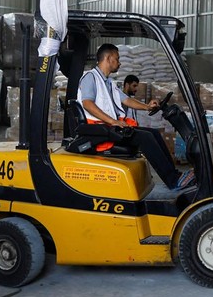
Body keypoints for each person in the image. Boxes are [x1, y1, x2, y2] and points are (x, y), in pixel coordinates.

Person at [78, 43, 181, 189]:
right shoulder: (90, 78)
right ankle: (173, 181)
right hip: (100, 132)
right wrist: (113, 121)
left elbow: (126, 99)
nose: (119, 63)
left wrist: (147, 107)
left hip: (109, 128)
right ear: (108, 58)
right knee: (146, 138)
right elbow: (87, 103)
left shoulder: (109, 83)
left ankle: (175, 176)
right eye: (117, 59)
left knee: (154, 134)